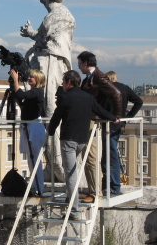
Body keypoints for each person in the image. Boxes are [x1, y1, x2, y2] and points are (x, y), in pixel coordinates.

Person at [20, 0, 75, 181]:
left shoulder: (59, 15)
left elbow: (50, 42)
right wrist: (33, 36)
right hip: (49, 65)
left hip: (53, 66)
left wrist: (35, 41)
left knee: (51, 110)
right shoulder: (55, 16)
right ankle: (54, 164)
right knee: (47, 110)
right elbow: (44, 38)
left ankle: (59, 166)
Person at [48, 70, 119, 220]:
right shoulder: (88, 97)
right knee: (73, 171)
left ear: (69, 82)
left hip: (68, 141)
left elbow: (56, 117)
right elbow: (100, 111)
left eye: (63, 81)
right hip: (83, 139)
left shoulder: (65, 97)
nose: (62, 84)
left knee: (71, 175)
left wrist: (50, 130)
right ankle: (71, 198)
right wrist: (114, 118)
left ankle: (73, 211)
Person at [77, 51, 122, 203]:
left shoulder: (99, 76)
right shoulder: (90, 77)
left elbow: (116, 93)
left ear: (85, 63)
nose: (78, 66)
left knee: (91, 157)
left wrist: (116, 115)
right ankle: (91, 190)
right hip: (88, 120)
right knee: (86, 157)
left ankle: (96, 193)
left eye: (79, 63)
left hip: (93, 121)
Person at [102, 71, 143, 195]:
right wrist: (128, 116)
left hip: (108, 124)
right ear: (116, 78)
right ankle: (110, 184)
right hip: (119, 124)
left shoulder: (107, 89)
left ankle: (113, 185)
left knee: (110, 155)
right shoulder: (124, 88)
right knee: (111, 153)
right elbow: (139, 102)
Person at [9, 68, 47, 196]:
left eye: (32, 77)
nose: (29, 78)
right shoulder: (34, 92)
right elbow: (22, 102)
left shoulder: (38, 92)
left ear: (38, 80)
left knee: (35, 158)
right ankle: (35, 186)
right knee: (31, 159)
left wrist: (16, 80)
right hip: (29, 125)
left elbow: (21, 95)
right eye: (29, 76)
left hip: (36, 125)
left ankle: (39, 188)